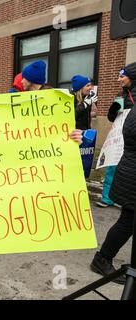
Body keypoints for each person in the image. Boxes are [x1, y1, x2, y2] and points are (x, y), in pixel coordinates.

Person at [90, 62, 136, 284]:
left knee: (128, 220)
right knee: (127, 221)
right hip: (129, 169)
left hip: (128, 166)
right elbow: (119, 124)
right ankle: (102, 258)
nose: (119, 79)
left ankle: (104, 258)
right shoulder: (124, 97)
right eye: (118, 75)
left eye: (122, 75)